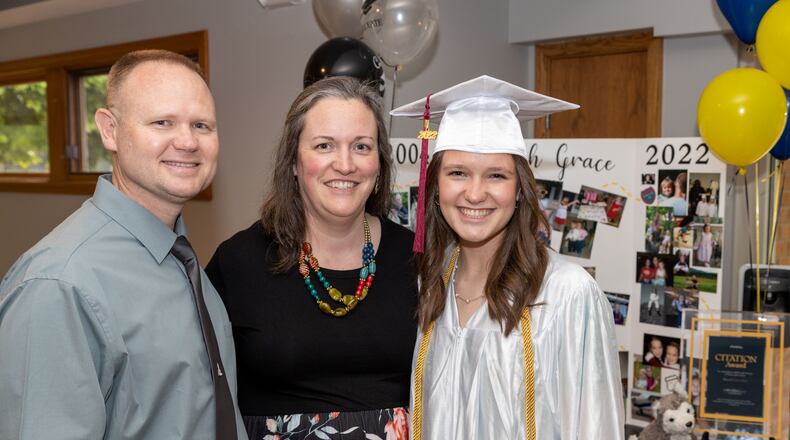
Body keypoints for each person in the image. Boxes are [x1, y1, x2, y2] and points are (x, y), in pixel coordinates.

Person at [0, 50, 245, 439]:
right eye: (162, 122)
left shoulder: (182, 262)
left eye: (202, 125)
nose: (187, 141)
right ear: (110, 130)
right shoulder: (59, 285)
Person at [391, 75, 623, 439]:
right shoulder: (429, 283)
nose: (475, 193)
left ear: (519, 191)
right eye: (458, 173)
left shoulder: (567, 293)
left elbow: (596, 426)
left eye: (496, 175)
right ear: (436, 186)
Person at [206, 77, 416, 440]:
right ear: (293, 162)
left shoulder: (417, 259)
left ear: (379, 163)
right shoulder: (238, 262)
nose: (345, 164)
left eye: (362, 146)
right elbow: (199, 390)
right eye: (324, 145)